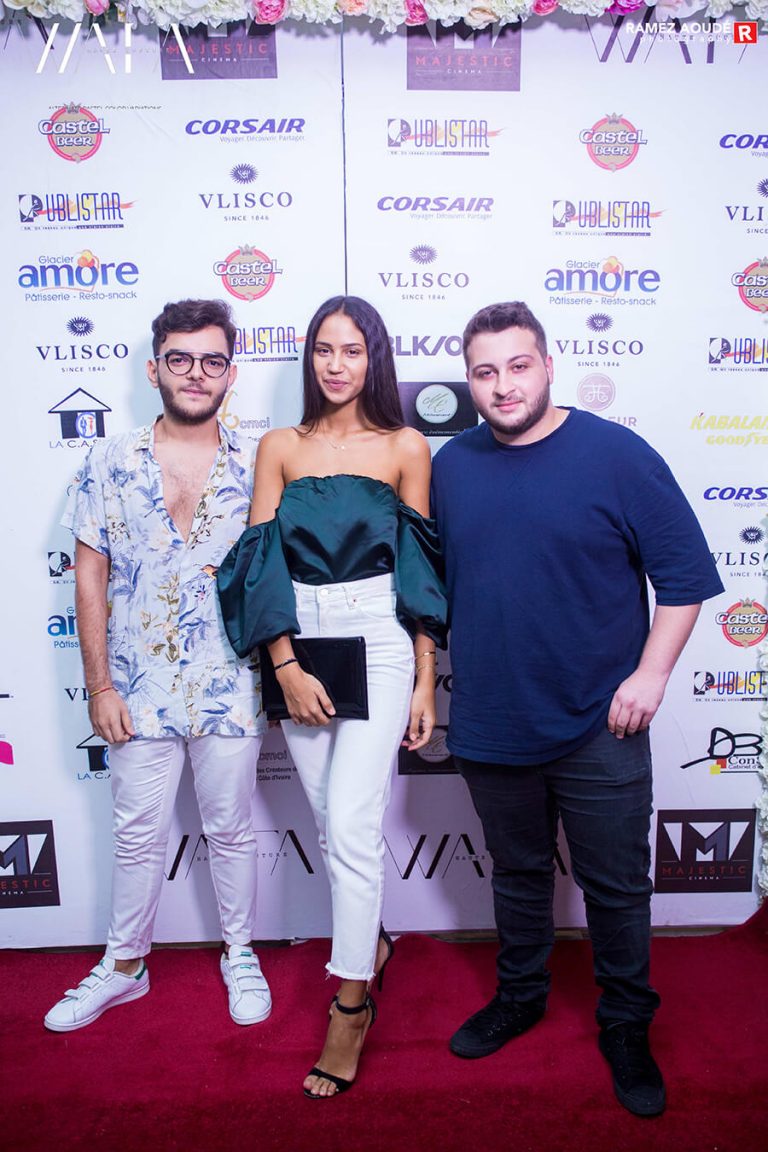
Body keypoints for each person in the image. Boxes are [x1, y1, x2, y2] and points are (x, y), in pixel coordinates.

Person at [430, 301, 724, 1118]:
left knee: (617, 887)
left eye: (518, 365)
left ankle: (626, 1024)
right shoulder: (451, 466)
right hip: (492, 721)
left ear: (549, 365)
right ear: (470, 381)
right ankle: (520, 997)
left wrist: (651, 677)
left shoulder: (617, 455)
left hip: (602, 721)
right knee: (518, 875)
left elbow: (685, 577)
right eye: (485, 372)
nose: (503, 385)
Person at [217, 295, 447, 1098]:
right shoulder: (279, 446)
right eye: (323, 348)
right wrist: (282, 662)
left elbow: (420, 567)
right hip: (300, 641)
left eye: (352, 350)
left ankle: (351, 1005)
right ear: (309, 357)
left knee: (350, 821)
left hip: (378, 636)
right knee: (326, 817)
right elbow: (259, 561)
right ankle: (372, 940)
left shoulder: (406, 445)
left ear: (373, 358)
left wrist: (425, 677)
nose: (336, 364)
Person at [44, 299, 271, 1033]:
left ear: (230, 373)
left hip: (230, 682)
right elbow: (88, 576)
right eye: (180, 358)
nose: (195, 373)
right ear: (155, 369)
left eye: (211, 360)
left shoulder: (260, 461)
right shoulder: (108, 461)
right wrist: (100, 685)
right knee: (137, 833)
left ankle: (241, 953)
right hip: (136, 688)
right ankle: (124, 966)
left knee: (231, 828)